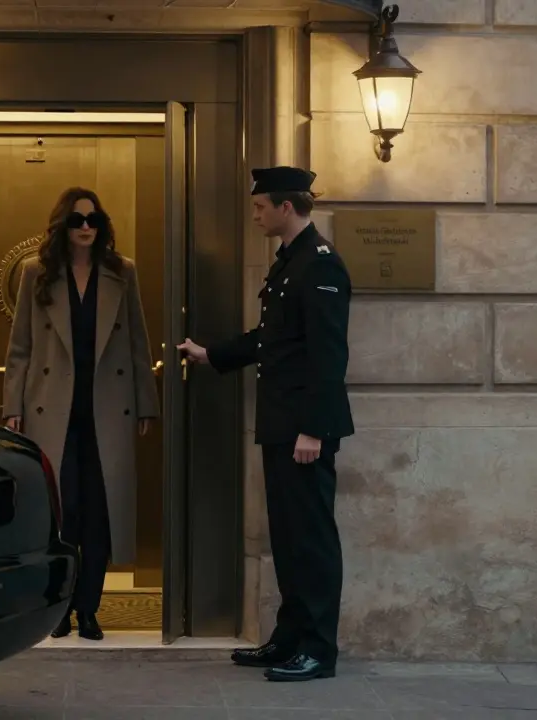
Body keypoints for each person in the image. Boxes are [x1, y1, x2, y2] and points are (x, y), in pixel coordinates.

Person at [178, 166, 354, 682]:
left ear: (284, 207)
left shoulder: (320, 264)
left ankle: (319, 649)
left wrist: (314, 429)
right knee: (288, 536)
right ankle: (290, 638)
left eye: (259, 206)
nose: (253, 214)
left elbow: (328, 353)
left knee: (312, 539)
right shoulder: (290, 263)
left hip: (303, 428)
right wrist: (213, 354)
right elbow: (270, 338)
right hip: (281, 423)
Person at [3, 187, 160, 641]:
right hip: (52, 408)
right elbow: (20, 348)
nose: (86, 227)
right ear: (63, 227)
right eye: (77, 221)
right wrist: (13, 405)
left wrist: (147, 402)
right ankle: (61, 610)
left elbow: (137, 341)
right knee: (62, 513)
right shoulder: (38, 272)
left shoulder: (121, 272)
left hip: (106, 410)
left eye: (94, 220)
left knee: (99, 514)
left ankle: (89, 609)